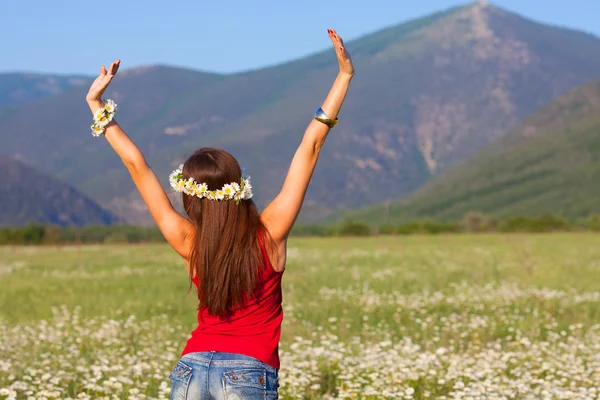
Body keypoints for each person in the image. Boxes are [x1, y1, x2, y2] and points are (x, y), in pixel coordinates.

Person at [85, 29, 354, 399]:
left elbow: (137, 166)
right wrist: (344, 77)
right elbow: (311, 144)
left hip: (190, 368)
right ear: (238, 186)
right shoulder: (270, 232)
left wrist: (96, 104)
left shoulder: (189, 242)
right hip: (248, 371)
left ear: (190, 197)